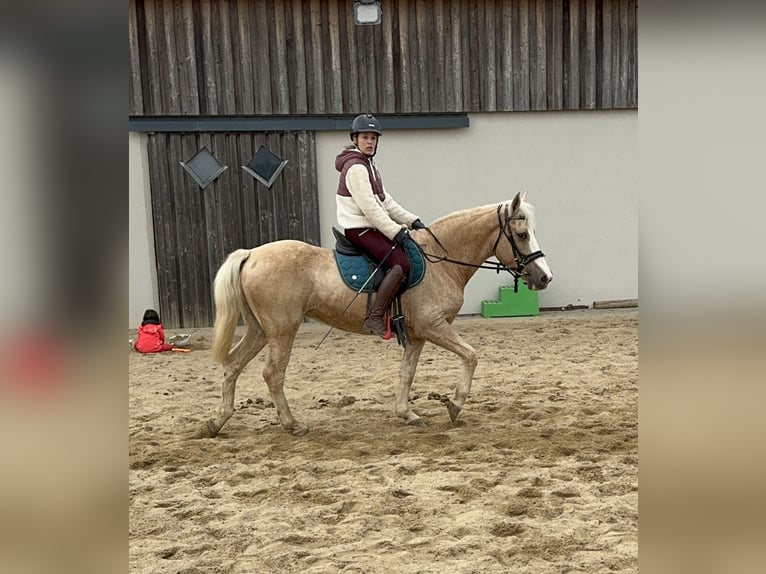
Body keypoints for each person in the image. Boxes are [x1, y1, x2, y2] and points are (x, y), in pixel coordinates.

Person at [335, 113, 427, 337]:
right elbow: (371, 209)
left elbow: (385, 201)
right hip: (360, 229)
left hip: (371, 227)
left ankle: (394, 315)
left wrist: (411, 219)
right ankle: (374, 317)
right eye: (365, 137)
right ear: (355, 139)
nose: (369, 142)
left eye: (373, 138)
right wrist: (396, 232)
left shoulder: (370, 166)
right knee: (401, 264)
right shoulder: (356, 168)